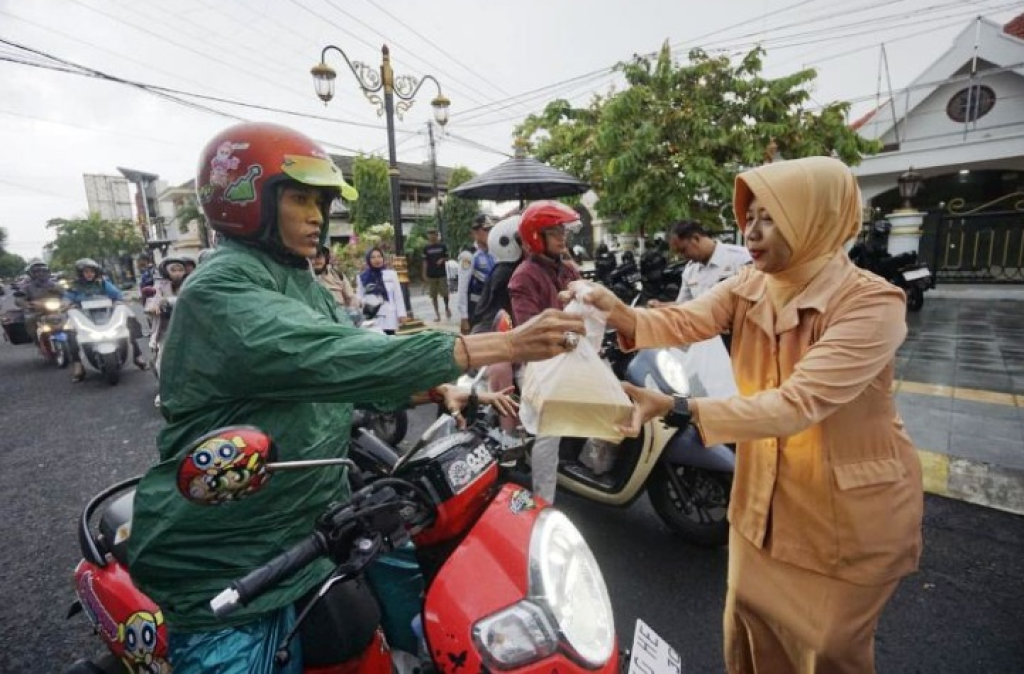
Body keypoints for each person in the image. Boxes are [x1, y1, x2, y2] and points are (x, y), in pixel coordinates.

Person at [126, 121, 583, 673]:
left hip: (321, 517)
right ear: (244, 200)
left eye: (321, 201)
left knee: (423, 588)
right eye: (300, 197)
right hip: (233, 556)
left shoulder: (299, 281)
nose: (318, 215)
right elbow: (336, 357)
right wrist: (503, 344)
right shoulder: (220, 290)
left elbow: (354, 364)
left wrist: (440, 388)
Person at [568, 156, 923, 674]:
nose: (750, 232)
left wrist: (674, 406)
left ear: (813, 217)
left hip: (846, 518)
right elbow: (688, 319)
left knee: (826, 652)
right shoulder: (749, 284)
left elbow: (798, 403)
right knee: (749, 629)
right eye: (748, 217)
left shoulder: (871, 303)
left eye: (769, 217)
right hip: (763, 500)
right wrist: (616, 310)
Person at [508, 200, 582, 503]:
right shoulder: (524, 276)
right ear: (536, 237)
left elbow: (585, 306)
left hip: (572, 355)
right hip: (540, 363)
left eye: (563, 231)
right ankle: (543, 501)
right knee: (550, 429)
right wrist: (571, 339)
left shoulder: (566, 269)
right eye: (554, 232)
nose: (561, 238)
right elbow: (533, 330)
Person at [65, 257, 148, 382]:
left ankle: (137, 356)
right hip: (84, 316)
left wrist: (119, 300)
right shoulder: (74, 287)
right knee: (70, 331)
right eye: (86, 272)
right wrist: (68, 304)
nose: (89, 274)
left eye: (91, 272)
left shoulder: (103, 283)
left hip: (106, 314)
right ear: (80, 273)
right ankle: (78, 365)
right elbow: (66, 299)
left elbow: (116, 294)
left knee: (127, 326)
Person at [649, 220, 751, 307]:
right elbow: (684, 306)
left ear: (696, 238)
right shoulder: (690, 271)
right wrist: (662, 306)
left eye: (683, 250)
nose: (682, 256)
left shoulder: (741, 258)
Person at [457, 213, 496, 334]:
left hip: (491, 307)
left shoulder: (494, 252)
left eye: (490, 229)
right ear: (475, 233)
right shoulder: (469, 255)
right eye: (486, 230)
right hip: (475, 307)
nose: (489, 233)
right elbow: (462, 288)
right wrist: (464, 317)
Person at [357, 247, 406, 334]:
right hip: (372, 316)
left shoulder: (391, 274)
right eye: (373, 257)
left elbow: (398, 296)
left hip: (389, 315)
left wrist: (401, 314)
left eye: (379, 256)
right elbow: (360, 296)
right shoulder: (362, 277)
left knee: (390, 341)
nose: (377, 259)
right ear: (368, 259)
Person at [15, 260, 61, 341]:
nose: (41, 273)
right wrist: (25, 304)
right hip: (36, 311)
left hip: (56, 309)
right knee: (30, 319)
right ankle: (36, 338)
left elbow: (67, 294)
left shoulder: (55, 285)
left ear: (48, 272)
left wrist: (68, 301)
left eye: (43, 271)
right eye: (37, 272)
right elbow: (19, 298)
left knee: (71, 314)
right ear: (31, 274)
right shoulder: (27, 287)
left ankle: (73, 333)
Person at [312, 244, 358, 311]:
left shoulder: (337, 275)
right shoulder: (305, 277)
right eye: (313, 257)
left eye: (320, 257)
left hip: (340, 313)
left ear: (326, 258)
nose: (317, 260)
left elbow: (351, 298)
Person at [420, 228, 450, 322]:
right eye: (429, 234)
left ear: (437, 235)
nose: (431, 236)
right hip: (431, 274)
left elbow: (448, 257)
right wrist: (424, 274)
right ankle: (437, 315)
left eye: (433, 234)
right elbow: (424, 261)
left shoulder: (442, 246)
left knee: (445, 293)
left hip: (441, 274)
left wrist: (442, 259)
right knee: (433, 296)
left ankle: (446, 307)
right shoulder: (426, 248)